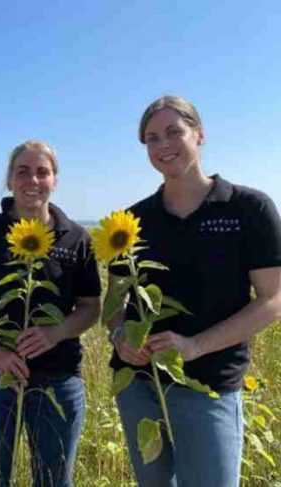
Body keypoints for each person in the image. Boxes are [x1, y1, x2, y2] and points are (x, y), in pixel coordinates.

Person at [107, 95, 281, 486]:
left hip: (209, 384)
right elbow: (114, 303)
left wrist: (195, 345)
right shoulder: (132, 221)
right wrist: (120, 337)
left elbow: (273, 300)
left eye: (174, 132)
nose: (162, 145)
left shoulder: (248, 209)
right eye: (151, 138)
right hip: (139, 386)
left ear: (199, 135)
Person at [0, 140, 101, 487]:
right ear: (9, 180)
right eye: (23, 171)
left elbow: (91, 308)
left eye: (42, 172)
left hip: (58, 376)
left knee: (54, 477)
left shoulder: (76, 239)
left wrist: (56, 332)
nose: (32, 180)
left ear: (55, 180)